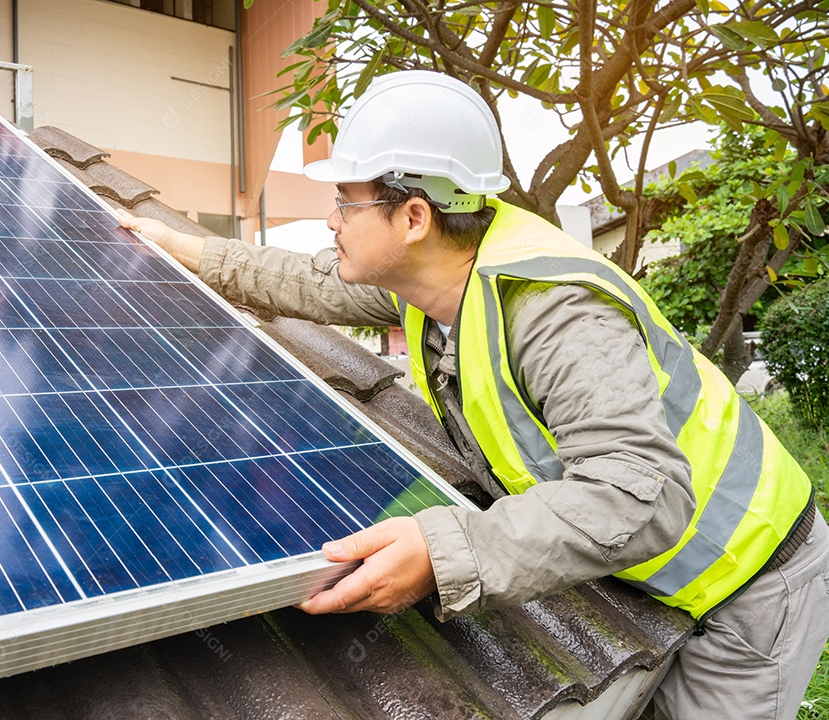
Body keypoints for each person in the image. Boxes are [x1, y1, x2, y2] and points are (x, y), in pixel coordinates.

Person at [118, 71, 829, 720]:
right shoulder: (433, 280)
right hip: (655, 574)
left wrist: (446, 552)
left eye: (345, 199)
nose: (331, 219)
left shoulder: (553, 311)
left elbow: (640, 494)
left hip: (751, 579)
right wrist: (188, 250)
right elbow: (306, 281)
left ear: (415, 217)